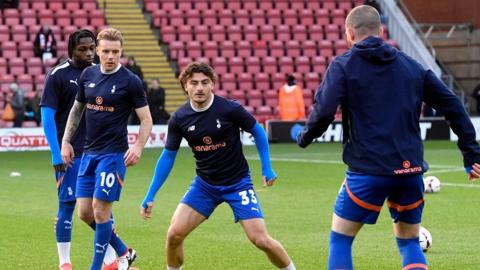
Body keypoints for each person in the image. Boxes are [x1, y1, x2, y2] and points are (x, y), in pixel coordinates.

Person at [296, 5, 480, 270]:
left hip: (367, 171)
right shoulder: (411, 66)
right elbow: (453, 105)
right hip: (410, 171)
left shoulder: (343, 66)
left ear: (349, 33)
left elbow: (324, 111)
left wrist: (306, 137)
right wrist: (471, 154)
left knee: (340, 239)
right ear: (381, 31)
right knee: (409, 243)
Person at [140, 62, 296, 270]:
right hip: (205, 185)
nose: (199, 88)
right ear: (185, 86)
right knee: (174, 234)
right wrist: (151, 194)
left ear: (213, 84)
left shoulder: (229, 109)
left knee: (260, 240)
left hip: (237, 184)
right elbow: (168, 157)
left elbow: (257, 131)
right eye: (193, 83)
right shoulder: (179, 118)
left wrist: (266, 167)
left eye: (205, 82)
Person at [61, 28, 152, 270]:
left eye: (116, 52)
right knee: (84, 213)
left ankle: (97, 267)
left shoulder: (130, 81)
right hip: (88, 153)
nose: (111, 56)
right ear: (97, 51)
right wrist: (66, 141)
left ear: (121, 52)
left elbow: (146, 119)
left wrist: (138, 146)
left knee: (101, 212)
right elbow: (77, 109)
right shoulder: (88, 75)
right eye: (106, 51)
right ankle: (124, 251)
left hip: (113, 155)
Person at [41, 29, 120, 270]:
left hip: (100, 151)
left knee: (102, 206)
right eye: (82, 49)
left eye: (90, 48)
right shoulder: (57, 76)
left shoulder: (101, 73)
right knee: (67, 205)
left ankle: (111, 262)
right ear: (70, 51)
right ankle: (64, 262)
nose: (88, 53)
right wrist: (56, 153)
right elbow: (47, 116)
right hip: (71, 153)